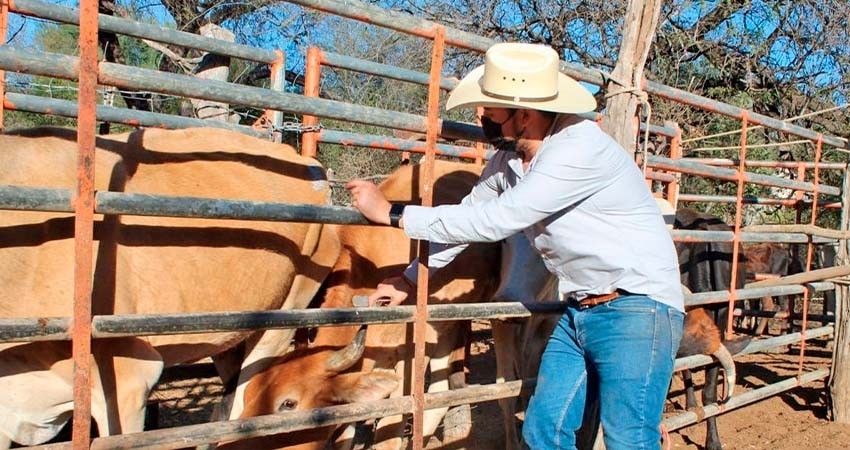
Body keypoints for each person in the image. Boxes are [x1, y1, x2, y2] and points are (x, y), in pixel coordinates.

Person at [346, 42, 684, 450]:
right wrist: (410, 279)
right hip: (581, 309)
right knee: (543, 430)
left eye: (490, 109)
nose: (481, 118)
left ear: (523, 115)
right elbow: (469, 217)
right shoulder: (508, 163)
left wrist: (394, 213)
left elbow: (499, 219)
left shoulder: (576, 148)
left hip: (637, 306)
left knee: (629, 439)